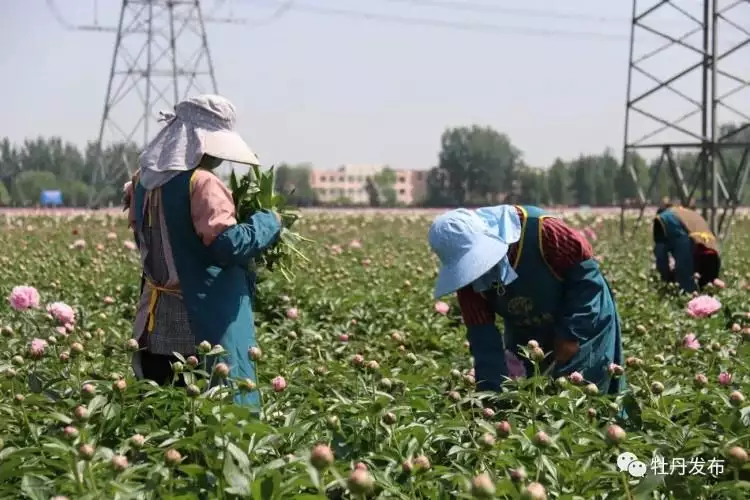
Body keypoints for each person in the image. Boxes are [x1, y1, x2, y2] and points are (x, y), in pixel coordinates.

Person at [123, 94, 281, 410]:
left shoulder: (143, 182)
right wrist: (267, 223)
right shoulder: (202, 183)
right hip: (200, 321)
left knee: (164, 409)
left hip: (154, 317)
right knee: (213, 410)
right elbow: (229, 244)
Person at [427, 205, 624, 394]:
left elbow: (586, 282)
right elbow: (483, 338)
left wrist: (572, 333)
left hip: (585, 317)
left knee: (584, 392)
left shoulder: (542, 230)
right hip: (526, 333)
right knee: (527, 390)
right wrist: (490, 393)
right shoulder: (469, 282)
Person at [653, 203, 720, 293]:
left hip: (690, 253)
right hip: (712, 253)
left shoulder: (663, 218)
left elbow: (661, 254)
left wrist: (666, 278)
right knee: (707, 294)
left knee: (687, 292)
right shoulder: (690, 214)